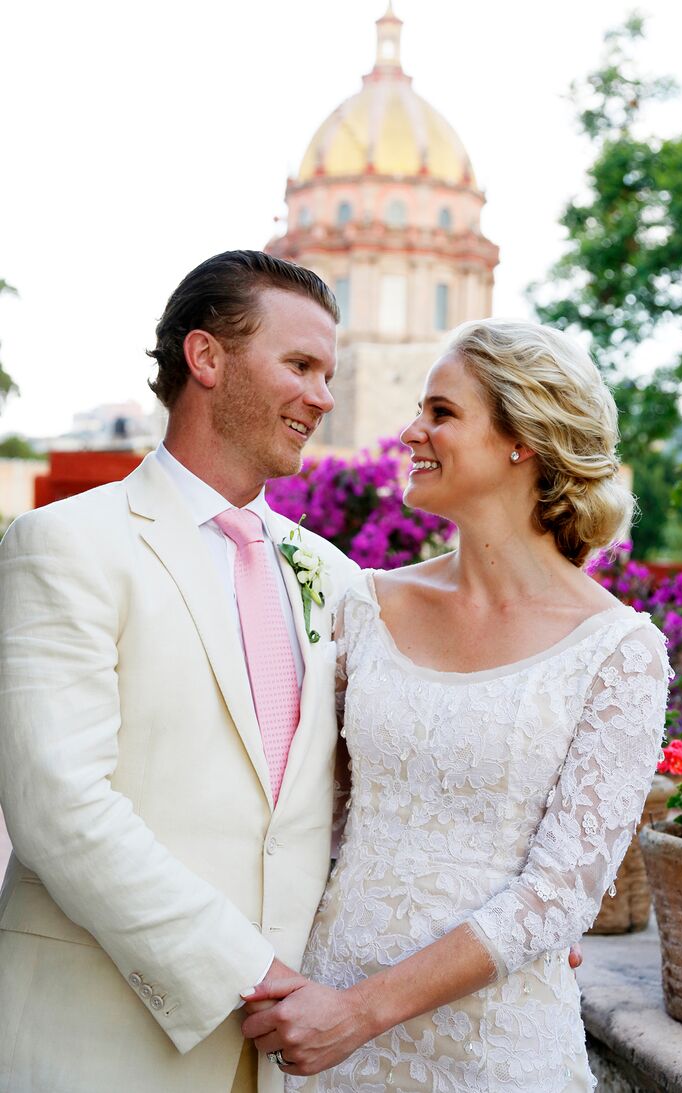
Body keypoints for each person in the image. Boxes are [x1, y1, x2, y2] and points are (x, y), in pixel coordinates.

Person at [240, 319, 671, 1092]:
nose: (411, 431)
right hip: (325, 1026)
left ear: (523, 439)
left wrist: (359, 1012)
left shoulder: (618, 653)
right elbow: (311, 819)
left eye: (440, 412)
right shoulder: (361, 604)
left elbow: (554, 896)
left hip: (493, 1048)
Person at [0, 250, 358, 1093]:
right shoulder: (65, 545)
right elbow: (58, 806)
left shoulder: (332, 576)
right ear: (206, 357)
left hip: (281, 1059)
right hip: (99, 1040)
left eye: (328, 372)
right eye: (300, 365)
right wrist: (252, 971)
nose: (323, 396)